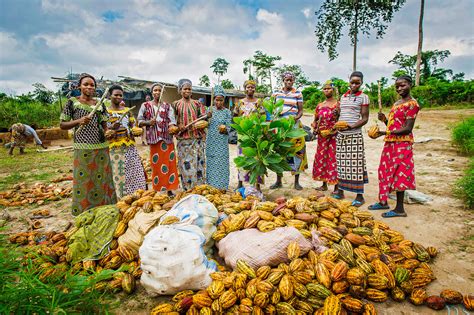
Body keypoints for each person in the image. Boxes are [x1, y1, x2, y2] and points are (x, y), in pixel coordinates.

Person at [59, 73, 116, 216]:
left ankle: (103, 209)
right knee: (84, 180)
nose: (89, 87)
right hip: (82, 147)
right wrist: (78, 121)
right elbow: (62, 125)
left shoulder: (100, 103)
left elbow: (104, 124)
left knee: (102, 179)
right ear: (79, 86)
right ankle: (84, 211)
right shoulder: (72, 102)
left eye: (92, 85)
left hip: (101, 146)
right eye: (86, 84)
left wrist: (108, 131)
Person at [368, 75, 420, 218]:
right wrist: (385, 120)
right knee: (384, 171)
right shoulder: (397, 103)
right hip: (390, 143)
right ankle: (383, 201)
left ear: (410, 84)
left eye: (402, 85)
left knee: (399, 174)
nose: (399, 88)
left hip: (403, 144)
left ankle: (399, 209)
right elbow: (393, 125)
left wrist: (384, 132)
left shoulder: (412, 104)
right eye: (397, 86)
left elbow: (407, 128)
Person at [333, 71, 369, 207]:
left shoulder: (364, 97)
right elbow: (341, 117)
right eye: (352, 82)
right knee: (341, 165)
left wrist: (351, 127)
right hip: (341, 135)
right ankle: (340, 191)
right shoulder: (343, 97)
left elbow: (365, 118)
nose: (354, 85)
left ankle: (360, 196)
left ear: (361, 83)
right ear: (349, 82)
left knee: (356, 166)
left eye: (357, 83)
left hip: (354, 135)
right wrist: (337, 116)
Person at [138, 83, 179, 195]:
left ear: (162, 93)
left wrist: (172, 127)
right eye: (155, 90)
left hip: (167, 139)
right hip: (154, 139)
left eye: (159, 91)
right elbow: (140, 121)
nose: (157, 92)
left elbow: (172, 121)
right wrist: (148, 122)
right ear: (152, 92)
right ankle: (158, 188)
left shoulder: (167, 106)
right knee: (156, 165)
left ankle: (169, 188)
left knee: (169, 164)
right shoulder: (145, 105)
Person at [106, 85, 147, 198]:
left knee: (134, 172)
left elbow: (133, 125)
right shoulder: (106, 112)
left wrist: (135, 131)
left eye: (120, 95)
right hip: (115, 149)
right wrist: (112, 128)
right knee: (120, 175)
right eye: (116, 95)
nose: (118, 97)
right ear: (110, 96)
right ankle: (123, 199)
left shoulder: (127, 111)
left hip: (130, 147)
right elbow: (104, 131)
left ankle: (137, 196)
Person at [270, 72, 308, 190]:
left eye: (291, 80)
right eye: (287, 79)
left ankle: (296, 182)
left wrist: (295, 118)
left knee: (297, 151)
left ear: (293, 81)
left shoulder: (297, 93)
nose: (289, 81)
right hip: (280, 127)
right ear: (283, 80)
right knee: (279, 151)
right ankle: (278, 180)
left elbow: (301, 111)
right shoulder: (276, 93)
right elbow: (271, 109)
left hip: (294, 126)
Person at [172, 79, 210, 191]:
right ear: (180, 90)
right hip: (184, 141)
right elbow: (172, 122)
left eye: (189, 89)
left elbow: (203, 117)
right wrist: (179, 128)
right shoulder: (175, 104)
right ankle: (188, 189)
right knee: (186, 165)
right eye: (185, 89)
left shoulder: (197, 104)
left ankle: (199, 189)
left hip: (197, 139)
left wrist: (207, 116)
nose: (187, 91)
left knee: (199, 164)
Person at [233, 79, 264, 189]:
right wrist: (240, 124)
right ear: (245, 88)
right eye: (248, 87)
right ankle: (240, 183)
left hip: (255, 134)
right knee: (242, 157)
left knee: (256, 158)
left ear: (255, 89)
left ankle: (257, 184)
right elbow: (235, 116)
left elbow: (263, 117)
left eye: (252, 87)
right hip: (242, 134)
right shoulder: (240, 102)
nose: (250, 89)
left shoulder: (259, 102)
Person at [312, 80, 339, 192]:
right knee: (322, 159)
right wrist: (315, 128)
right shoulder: (320, 105)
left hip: (334, 136)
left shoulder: (338, 105)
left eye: (329, 88)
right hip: (322, 137)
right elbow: (315, 120)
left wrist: (332, 131)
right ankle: (324, 184)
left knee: (333, 159)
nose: (327, 90)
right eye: (325, 88)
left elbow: (340, 121)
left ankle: (337, 187)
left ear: (333, 90)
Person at [206, 85, 232, 190]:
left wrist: (224, 129)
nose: (219, 103)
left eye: (221, 100)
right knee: (212, 163)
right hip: (211, 141)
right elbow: (205, 124)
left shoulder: (227, 112)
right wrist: (207, 116)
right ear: (214, 99)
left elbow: (229, 128)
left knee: (222, 163)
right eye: (217, 100)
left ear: (224, 100)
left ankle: (222, 186)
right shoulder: (209, 110)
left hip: (222, 142)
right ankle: (211, 186)